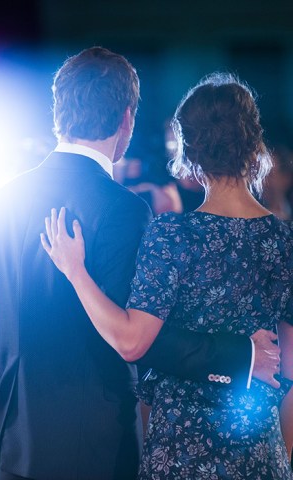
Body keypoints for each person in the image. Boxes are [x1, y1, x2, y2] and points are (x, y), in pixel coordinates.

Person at [0, 48, 279, 480]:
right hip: (101, 453)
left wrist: (0, 437)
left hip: (17, 455)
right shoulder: (123, 208)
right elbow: (141, 334)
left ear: (58, 114)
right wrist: (242, 355)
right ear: (126, 120)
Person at [41, 72, 293, 479]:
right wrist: (279, 460)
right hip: (260, 453)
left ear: (190, 153)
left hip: (179, 454)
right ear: (253, 144)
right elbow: (290, 373)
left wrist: (75, 271)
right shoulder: (285, 241)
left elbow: (130, 338)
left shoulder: (173, 234)